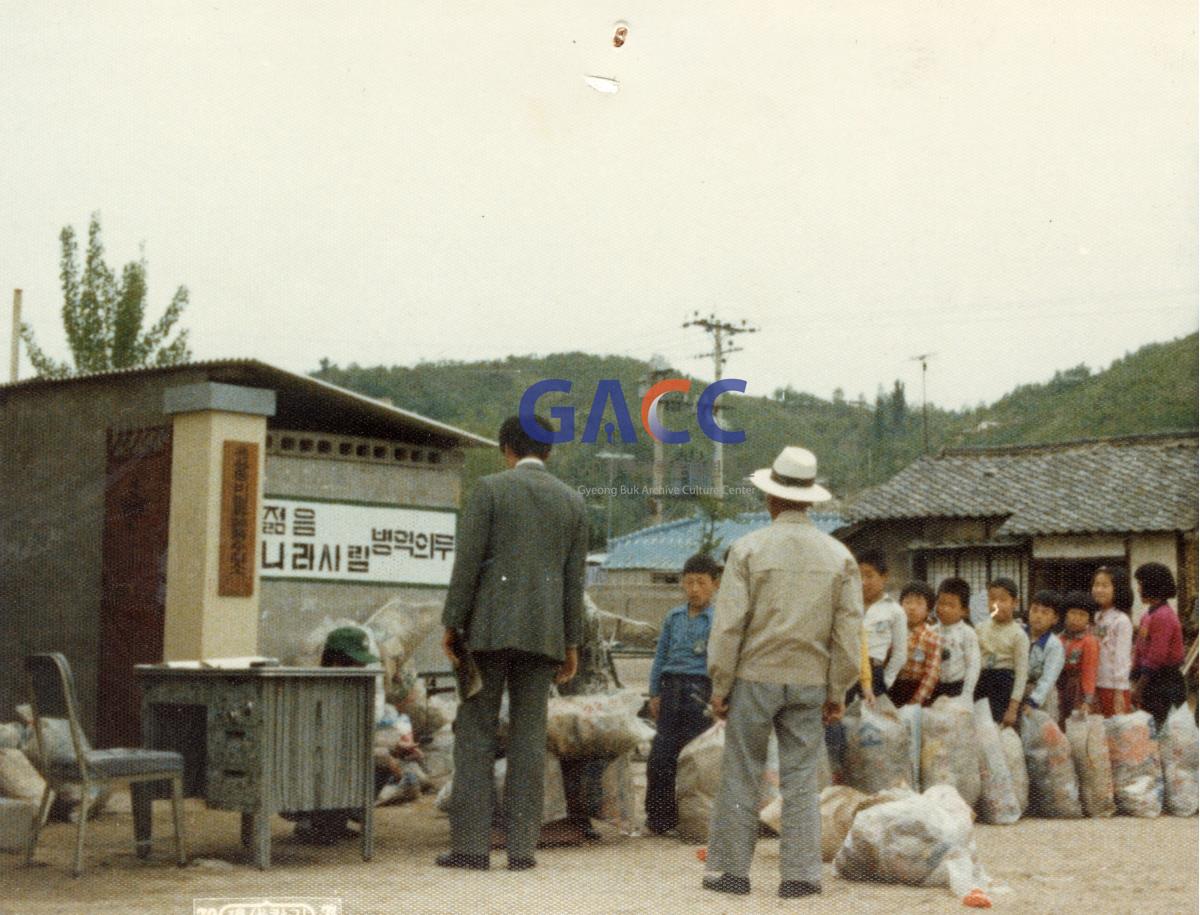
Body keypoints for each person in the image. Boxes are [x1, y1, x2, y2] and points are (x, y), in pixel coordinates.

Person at [702, 446, 862, 899]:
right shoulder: (839, 557)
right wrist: (837, 689)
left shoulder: (748, 549)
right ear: (810, 500)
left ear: (770, 498)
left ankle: (732, 872)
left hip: (755, 675)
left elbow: (729, 624)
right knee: (801, 776)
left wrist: (721, 683)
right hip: (811, 679)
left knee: (742, 771)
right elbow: (847, 634)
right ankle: (799, 876)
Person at [436, 415, 589, 872]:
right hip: (544, 637)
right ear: (550, 452)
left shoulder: (489, 490)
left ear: (506, 447)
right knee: (529, 739)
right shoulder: (572, 502)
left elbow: (467, 566)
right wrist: (571, 642)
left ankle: (471, 848)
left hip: (486, 632)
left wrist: (452, 623)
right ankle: (523, 850)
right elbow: (573, 581)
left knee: (476, 734)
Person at [291, 627, 424, 844]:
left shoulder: (352, 692)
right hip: (307, 777)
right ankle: (314, 820)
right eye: (354, 662)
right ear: (335, 660)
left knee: (380, 761)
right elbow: (334, 747)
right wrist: (386, 756)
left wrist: (397, 747)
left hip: (332, 768)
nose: (361, 668)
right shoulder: (317, 693)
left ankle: (335, 820)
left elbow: (359, 737)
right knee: (374, 763)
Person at [643, 552, 721, 835]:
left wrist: (721, 694)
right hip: (670, 690)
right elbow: (660, 655)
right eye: (689, 583)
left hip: (702, 692)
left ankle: (693, 821)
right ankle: (659, 819)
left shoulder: (719, 620)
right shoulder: (673, 617)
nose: (694, 589)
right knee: (662, 754)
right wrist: (654, 692)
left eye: (701, 582)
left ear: (715, 584)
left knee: (695, 758)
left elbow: (722, 660)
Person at [1131, 562, 1187, 730]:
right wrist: (1134, 673)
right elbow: (1140, 649)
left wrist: (1139, 687)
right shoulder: (1147, 615)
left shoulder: (1163, 616)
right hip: (1150, 679)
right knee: (1150, 728)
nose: (1139, 589)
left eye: (1141, 584)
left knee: (1163, 729)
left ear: (1152, 585)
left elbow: (1156, 657)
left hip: (1164, 682)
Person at [974, 577, 1029, 727]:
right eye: (992, 599)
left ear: (1015, 603)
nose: (996, 605)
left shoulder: (1019, 635)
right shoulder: (980, 629)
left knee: (1003, 737)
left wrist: (1012, 708)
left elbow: (1021, 674)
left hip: (1005, 688)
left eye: (1003, 600)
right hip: (981, 686)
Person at [855, 549, 908, 702]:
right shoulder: (850, 606)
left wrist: (886, 682)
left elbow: (900, 654)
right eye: (859, 576)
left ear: (884, 577)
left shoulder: (895, 611)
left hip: (875, 673)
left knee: (872, 722)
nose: (863, 582)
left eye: (869, 575)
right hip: (848, 670)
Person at [887, 581, 941, 707]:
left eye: (919, 603)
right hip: (894, 687)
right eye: (907, 602)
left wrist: (916, 702)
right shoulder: (892, 633)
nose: (912, 607)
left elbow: (932, 674)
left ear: (928, 610)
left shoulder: (931, 637)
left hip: (918, 690)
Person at [1092, 565, 1135, 717]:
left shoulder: (1121, 620)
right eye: (1096, 585)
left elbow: (1122, 658)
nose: (1098, 589)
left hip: (1112, 687)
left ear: (1117, 589)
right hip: (1093, 684)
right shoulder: (1095, 617)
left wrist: (1119, 692)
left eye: (1104, 585)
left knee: (1116, 734)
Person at [930, 577, 981, 704]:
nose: (944, 608)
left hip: (957, 688)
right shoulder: (931, 631)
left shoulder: (968, 633)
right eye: (941, 603)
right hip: (933, 686)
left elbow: (973, 666)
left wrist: (967, 694)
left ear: (964, 611)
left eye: (951, 605)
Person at [1056, 591, 1100, 726]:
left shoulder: (1089, 641)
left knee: (1075, 726)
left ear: (1089, 619)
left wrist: (1087, 700)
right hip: (1058, 687)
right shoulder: (1058, 638)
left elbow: (1089, 672)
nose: (1077, 618)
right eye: (1073, 613)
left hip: (1077, 690)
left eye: (1082, 615)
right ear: (1066, 614)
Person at [1023, 590, 1065, 721]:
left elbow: (1048, 678)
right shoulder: (1018, 634)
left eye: (1045, 612)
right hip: (1017, 691)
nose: (1038, 616)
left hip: (1042, 697)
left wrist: (1033, 702)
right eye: (1034, 610)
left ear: (1055, 619)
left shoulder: (1055, 645)